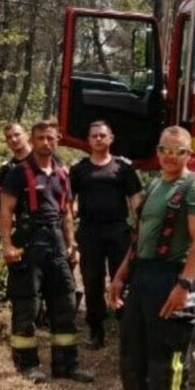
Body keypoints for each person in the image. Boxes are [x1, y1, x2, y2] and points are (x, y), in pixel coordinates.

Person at [107, 126, 195, 390]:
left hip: (171, 278)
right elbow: (139, 239)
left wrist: (184, 286)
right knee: (133, 360)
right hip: (143, 276)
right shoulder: (154, 185)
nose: (171, 157)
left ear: (189, 155)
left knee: (165, 362)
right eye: (166, 150)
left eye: (178, 151)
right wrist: (121, 276)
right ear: (158, 152)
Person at [0, 119, 94, 384]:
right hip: (28, 244)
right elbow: (5, 211)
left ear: (58, 139)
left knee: (65, 302)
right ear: (33, 139)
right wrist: (7, 245)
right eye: (40, 138)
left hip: (56, 244)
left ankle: (67, 365)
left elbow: (66, 213)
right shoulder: (18, 173)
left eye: (50, 138)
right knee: (27, 305)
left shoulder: (62, 172)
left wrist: (71, 245)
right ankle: (27, 365)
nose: (45, 143)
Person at [69, 120, 144, 349]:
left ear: (111, 138)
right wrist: (69, 235)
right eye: (94, 136)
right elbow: (68, 204)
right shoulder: (79, 169)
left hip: (118, 231)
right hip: (90, 231)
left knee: (123, 280)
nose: (99, 139)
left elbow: (136, 203)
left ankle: (126, 329)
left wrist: (140, 233)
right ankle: (96, 330)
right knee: (92, 281)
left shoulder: (123, 168)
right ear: (88, 140)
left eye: (103, 135)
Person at [0, 122, 32, 221]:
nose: (13, 140)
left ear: (27, 135)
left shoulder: (44, 159)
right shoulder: (7, 169)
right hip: (24, 225)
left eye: (17, 135)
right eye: (9, 137)